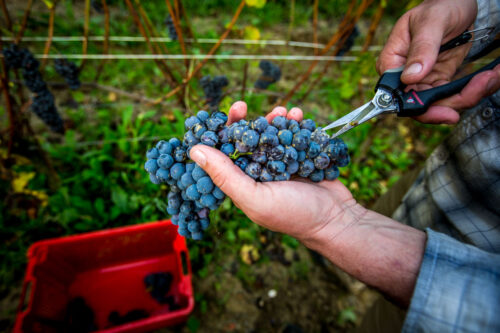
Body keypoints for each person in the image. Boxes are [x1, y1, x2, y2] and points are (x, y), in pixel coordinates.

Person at [190, 0, 500, 331]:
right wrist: (473, 13)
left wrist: (341, 232)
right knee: (390, 210)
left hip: (450, 285)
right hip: (440, 175)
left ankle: (344, 272)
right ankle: (339, 270)